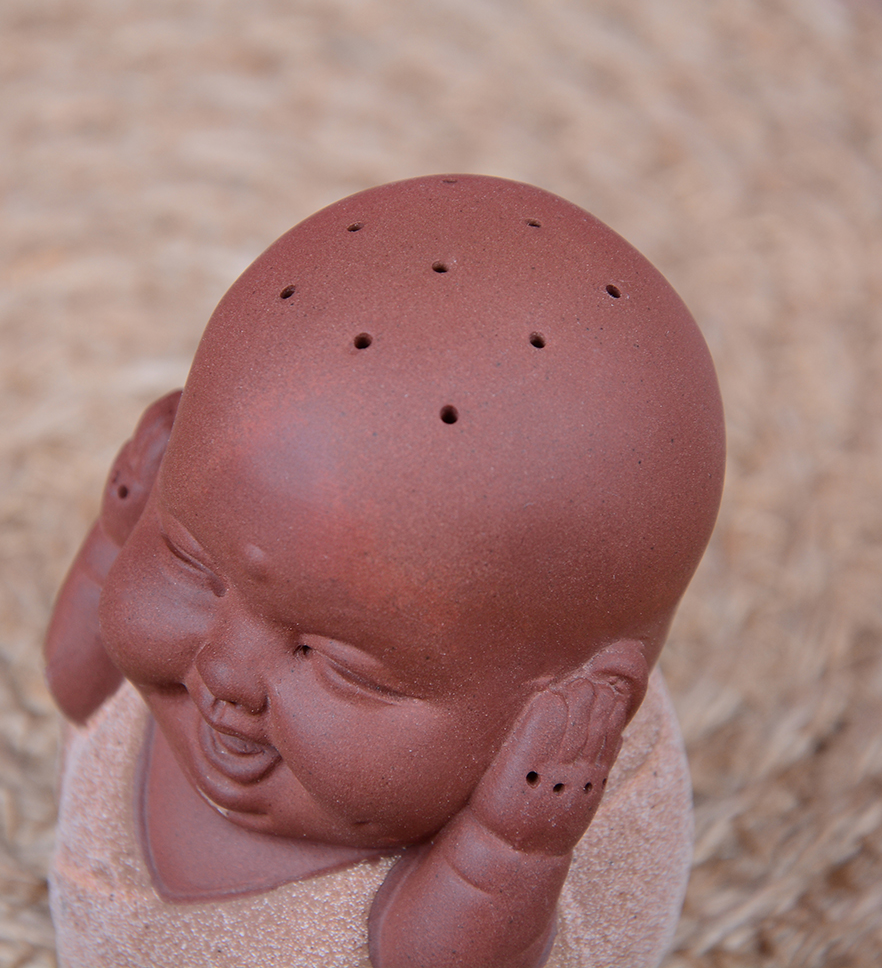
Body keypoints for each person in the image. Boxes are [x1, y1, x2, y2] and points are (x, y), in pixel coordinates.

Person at [45, 174, 724, 968]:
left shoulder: (545, 804)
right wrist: (112, 540)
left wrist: (510, 850)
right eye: (192, 566)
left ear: (573, 701)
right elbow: (73, 685)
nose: (224, 673)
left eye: (339, 665)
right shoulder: (169, 695)